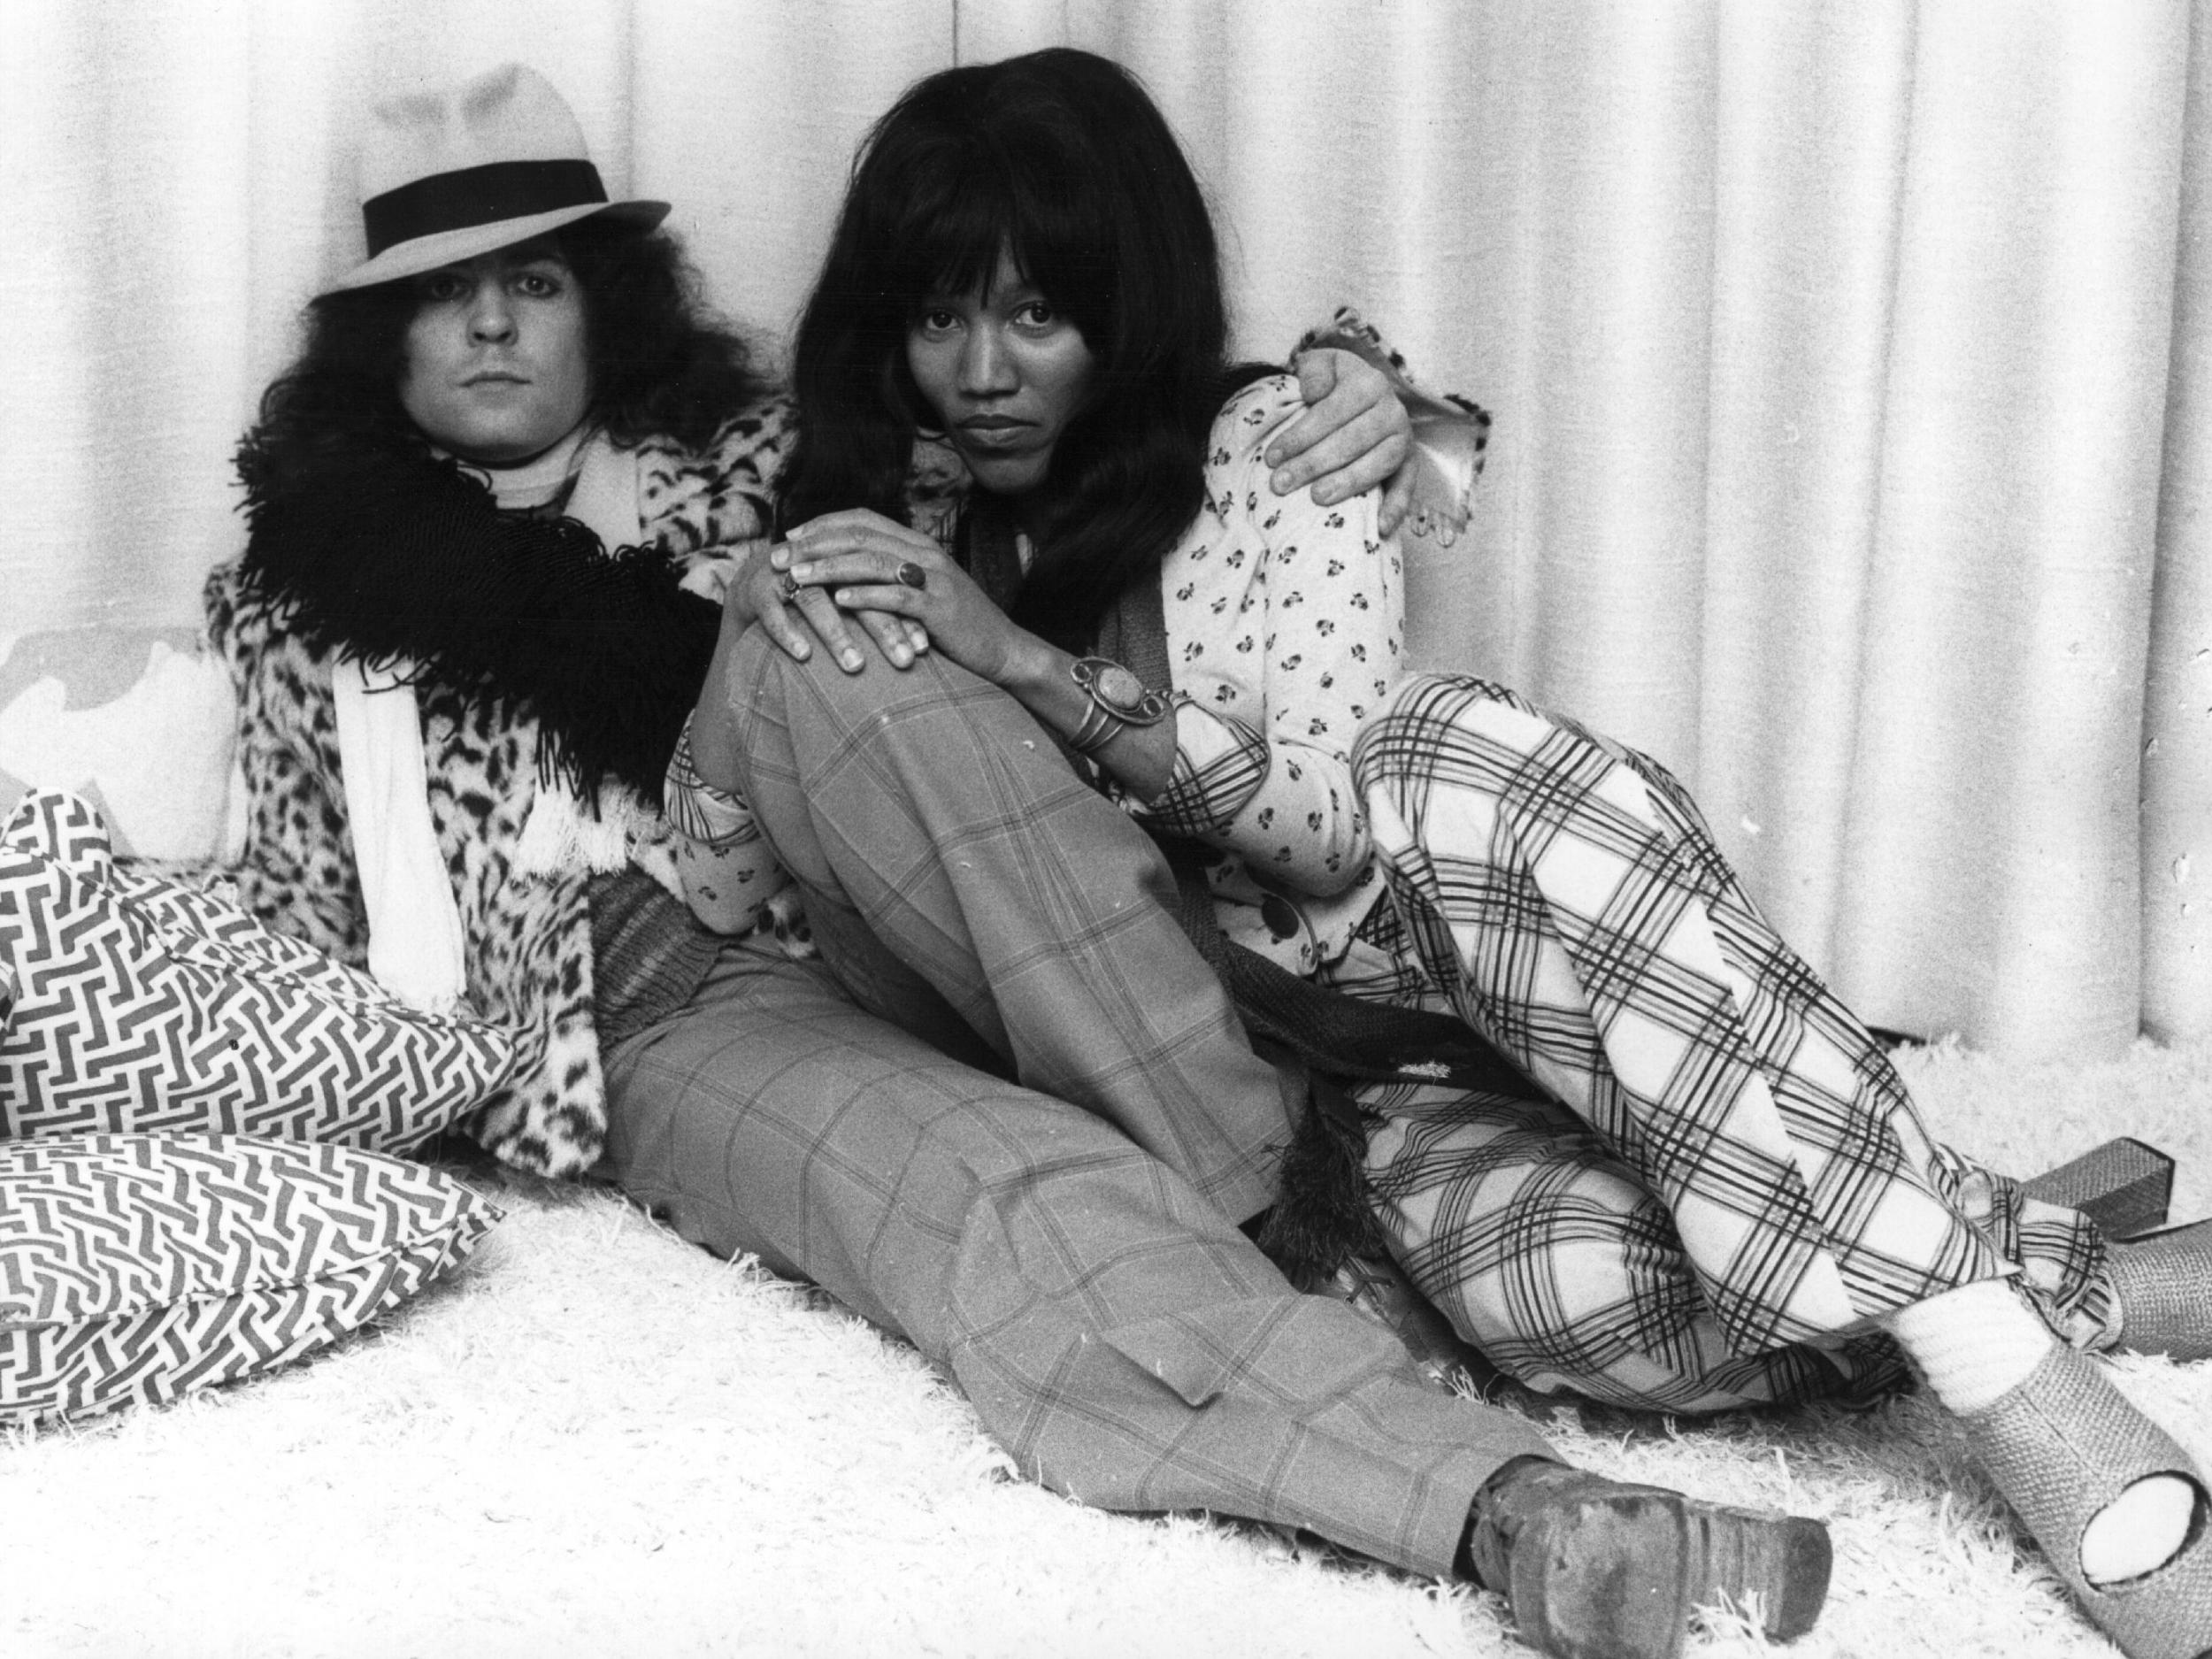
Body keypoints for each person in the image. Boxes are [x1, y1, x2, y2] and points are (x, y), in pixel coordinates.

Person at [188, 57, 1824, 1659]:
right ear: (376, 335)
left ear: (597, 302)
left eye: (530, 280)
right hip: (655, 1011)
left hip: (924, 915)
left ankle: (1270, 1203)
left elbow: (1128, 403)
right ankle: (1523, 1512)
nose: (489, 324)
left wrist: (1358, 389)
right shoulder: (313, 593)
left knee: (843, 621)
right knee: (999, 1196)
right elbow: (298, 932)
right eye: (440, 290)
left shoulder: (761, 467)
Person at [679, 46, 2212, 1659]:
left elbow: (1335, 828)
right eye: (938, 319)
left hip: (1462, 935)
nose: (982, 370)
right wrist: (751, 643)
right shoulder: (887, 539)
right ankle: (2070, 1271)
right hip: (1331, 1100)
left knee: (1447, 752)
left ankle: (2014, 1375)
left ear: (1123, 313)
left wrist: (1033, 669)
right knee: (1556, 1296)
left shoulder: (1279, 450)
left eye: (1036, 315)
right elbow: (720, 890)